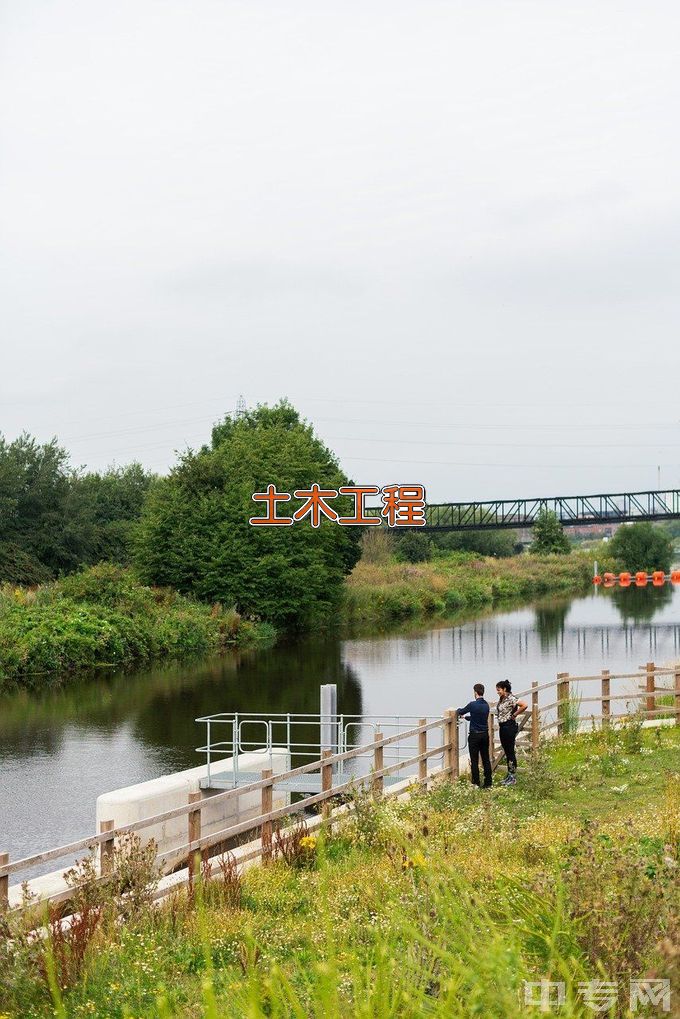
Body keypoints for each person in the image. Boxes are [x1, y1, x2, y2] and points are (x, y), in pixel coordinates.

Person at [456, 683, 492, 788]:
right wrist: (467, 718)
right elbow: (477, 717)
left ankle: (476, 782)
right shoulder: (486, 705)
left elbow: (461, 711)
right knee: (486, 759)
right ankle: (488, 783)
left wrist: (458, 711)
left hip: (474, 736)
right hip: (485, 735)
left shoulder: (472, 704)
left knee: (474, 759)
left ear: (475, 692)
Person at [495, 680, 527, 786]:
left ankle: (513, 777)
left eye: (499, 690)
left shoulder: (511, 698)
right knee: (507, 751)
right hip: (503, 727)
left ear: (504, 689)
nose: (497, 692)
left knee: (510, 752)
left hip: (509, 726)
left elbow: (524, 705)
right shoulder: (502, 698)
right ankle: (509, 775)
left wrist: (515, 715)